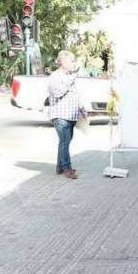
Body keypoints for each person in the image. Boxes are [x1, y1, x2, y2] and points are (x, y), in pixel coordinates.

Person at [48, 50, 85, 179]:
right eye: (71, 61)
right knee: (64, 141)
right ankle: (67, 168)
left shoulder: (70, 76)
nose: (73, 63)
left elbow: (75, 94)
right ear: (63, 62)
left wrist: (82, 109)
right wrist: (70, 79)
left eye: (74, 61)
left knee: (65, 142)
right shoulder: (55, 76)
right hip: (60, 115)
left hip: (71, 115)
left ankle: (60, 167)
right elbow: (57, 93)